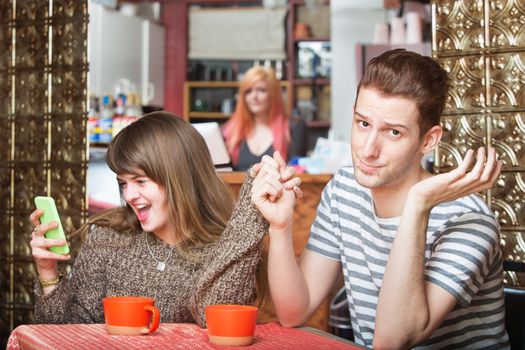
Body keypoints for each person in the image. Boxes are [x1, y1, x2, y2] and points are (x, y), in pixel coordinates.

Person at [252, 49, 509, 349]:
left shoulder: (470, 220)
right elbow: (293, 312)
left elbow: (392, 340)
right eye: (363, 124)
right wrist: (280, 228)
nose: (368, 149)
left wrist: (417, 206)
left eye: (393, 132)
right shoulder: (345, 189)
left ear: (428, 140)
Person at [29, 111, 296, 327]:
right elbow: (69, 333)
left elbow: (215, 320)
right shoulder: (107, 238)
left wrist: (250, 213)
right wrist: (48, 272)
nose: (129, 195)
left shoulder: (228, 248)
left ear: (179, 178)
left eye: (140, 181)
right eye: (123, 183)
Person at [222, 66, 307, 171]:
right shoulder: (229, 130)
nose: (254, 96)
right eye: (248, 91)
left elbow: (298, 172)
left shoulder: (294, 127)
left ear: (273, 94)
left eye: (261, 90)